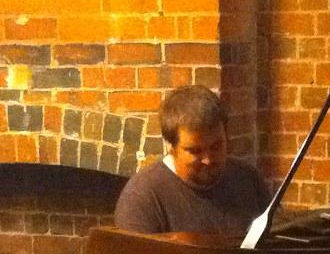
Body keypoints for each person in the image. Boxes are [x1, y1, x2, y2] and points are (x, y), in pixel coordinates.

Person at [113, 85, 270, 235]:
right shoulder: (142, 196)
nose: (208, 160)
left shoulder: (247, 178)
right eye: (195, 151)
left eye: (216, 146)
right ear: (172, 147)